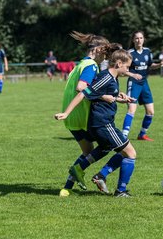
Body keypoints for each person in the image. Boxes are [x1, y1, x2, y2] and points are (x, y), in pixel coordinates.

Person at [55, 48, 137, 197]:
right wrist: (66, 113)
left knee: (106, 147)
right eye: (127, 66)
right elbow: (84, 93)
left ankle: (80, 168)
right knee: (130, 153)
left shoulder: (112, 78)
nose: (128, 70)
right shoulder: (106, 77)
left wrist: (119, 98)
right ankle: (121, 191)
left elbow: (100, 95)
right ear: (119, 63)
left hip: (100, 123)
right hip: (103, 124)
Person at [56, 31, 117, 197]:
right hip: (82, 117)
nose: (105, 58)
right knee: (110, 145)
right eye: (105, 53)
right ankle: (102, 176)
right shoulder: (91, 66)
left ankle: (67, 187)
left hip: (71, 118)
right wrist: (105, 96)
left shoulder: (80, 64)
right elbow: (81, 88)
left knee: (88, 151)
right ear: (97, 50)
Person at [122, 31, 163, 141]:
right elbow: (122, 70)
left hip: (144, 83)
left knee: (151, 112)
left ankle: (142, 134)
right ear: (133, 40)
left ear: (144, 39)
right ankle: (123, 137)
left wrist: (160, 64)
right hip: (133, 83)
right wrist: (133, 74)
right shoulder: (130, 53)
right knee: (132, 109)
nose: (139, 40)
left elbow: (150, 65)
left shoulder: (147, 51)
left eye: (141, 38)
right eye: (136, 38)